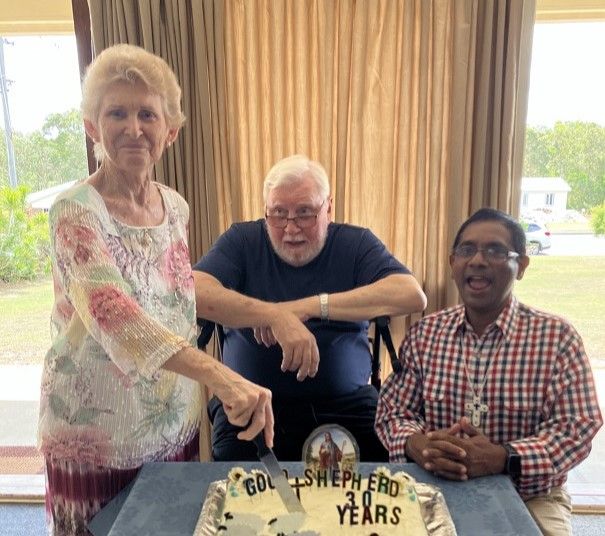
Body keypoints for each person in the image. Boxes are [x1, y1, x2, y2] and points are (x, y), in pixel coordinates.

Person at [37, 44, 273, 535]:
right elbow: (113, 315)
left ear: (171, 131)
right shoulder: (76, 212)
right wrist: (220, 375)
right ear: (91, 126)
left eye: (148, 113)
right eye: (116, 112)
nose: (133, 127)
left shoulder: (176, 207)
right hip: (95, 434)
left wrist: (264, 319)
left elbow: (176, 304)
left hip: (171, 423)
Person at [375, 207, 603, 536]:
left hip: (531, 494)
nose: (478, 260)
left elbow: (576, 428)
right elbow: (392, 411)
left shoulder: (556, 339)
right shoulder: (426, 334)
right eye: (467, 250)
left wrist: (504, 457)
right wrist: (418, 445)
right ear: (453, 263)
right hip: (434, 486)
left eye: (495, 250)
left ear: (521, 265)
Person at [193, 154, 427, 462]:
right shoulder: (242, 240)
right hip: (252, 405)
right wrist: (273, 315)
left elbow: (410, 295)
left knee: (374, 490)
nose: (291, 228)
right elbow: (193, 290)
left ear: (328, 207)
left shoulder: (355, 243)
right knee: (240, 495)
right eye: (278, 213)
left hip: (348, 405)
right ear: (266, 212)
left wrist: (310, 307)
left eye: (304, 213)